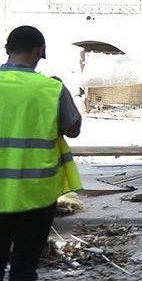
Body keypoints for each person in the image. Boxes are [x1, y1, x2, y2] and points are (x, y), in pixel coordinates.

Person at [1, 26, 83, 281]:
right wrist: (64, 92)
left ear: (7, 50)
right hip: (36, 195)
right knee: (24, 269)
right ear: (40, 50)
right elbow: (73, 129)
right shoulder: (50, 89)